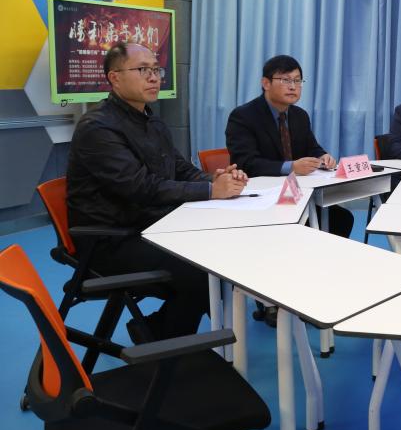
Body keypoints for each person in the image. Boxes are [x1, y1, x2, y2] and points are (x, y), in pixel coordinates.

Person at [67, 42, 247, 341]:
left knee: (223, 253)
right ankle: (163, 342)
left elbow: (180, 168)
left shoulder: (152, 120)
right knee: (204, 271)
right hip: (111, 239)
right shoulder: (97, 128)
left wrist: (215, 179)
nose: (154, 77)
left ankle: (156, 330)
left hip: (152, 224)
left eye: (156, 70)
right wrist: (210, 190)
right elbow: (141, 188)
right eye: (143, 70)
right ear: (114, 78)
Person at [226, 54, 355, 327]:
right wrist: (290, 167)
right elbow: (246, 161)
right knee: (289, 229)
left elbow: (312, 147)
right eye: (285, 80)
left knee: (341, 218)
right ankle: (269, 299)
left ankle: (311, 284)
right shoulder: (243, 116)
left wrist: (323, 157)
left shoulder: (299, 116)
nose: (293, 86)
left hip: (296, 195)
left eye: (298, 80)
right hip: (260, 200)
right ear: (265, 83)